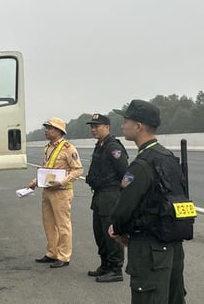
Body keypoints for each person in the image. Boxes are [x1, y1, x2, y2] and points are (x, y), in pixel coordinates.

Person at [108, 99, 187, 303]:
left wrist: (117, 229)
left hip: (149, 248)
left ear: (138, 126)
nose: (122, 125)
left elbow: (124, 208)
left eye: (126, 121)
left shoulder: (142, 164)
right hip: (172, 245)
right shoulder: (168, 157)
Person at [27, 117, 83, 268]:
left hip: (62, 192)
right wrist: (35, 182)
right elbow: (46, 169)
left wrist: (62, 181)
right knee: (49, 224)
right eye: (46, 127)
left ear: (59, 131)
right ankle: (52, 253)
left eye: (50, 128)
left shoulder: (68, 148)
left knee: (62, 225)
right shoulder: (47, 148)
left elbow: (78, 170)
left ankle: (64, 256)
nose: (46, 130)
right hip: (48, 191)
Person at [85, 113, 128, 282]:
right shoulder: (101, 145)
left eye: (97, 126)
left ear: (107, 127)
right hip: (99, 196)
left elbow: (126, 173)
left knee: (111, 234)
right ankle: (105, 265)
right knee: (100, 233)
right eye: (92, 127)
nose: (93, 129)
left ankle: (115, 269)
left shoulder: (113, 147)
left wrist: (123, 195)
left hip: (111, 196)